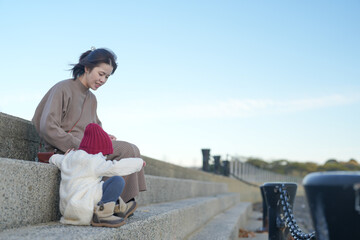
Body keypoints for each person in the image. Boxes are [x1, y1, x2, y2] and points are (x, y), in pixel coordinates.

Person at [32, 47, 146, 207]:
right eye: (101, 74)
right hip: (66, 150)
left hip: (86, 150)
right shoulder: (63, 88)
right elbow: (47, 126)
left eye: (107, 77)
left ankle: (120, 201)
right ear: (87, 68)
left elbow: (94, 128)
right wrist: (81, 145)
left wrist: (105, 137)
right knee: (126, 149)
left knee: (132, 149)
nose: (103, 80)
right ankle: (103, 202)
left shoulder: (92, 99)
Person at [50, 123, 144, 227]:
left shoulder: (68, 159)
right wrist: (139, 163)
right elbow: (117, 167)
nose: (105, 156)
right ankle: (103, 214)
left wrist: (65, 156)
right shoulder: (95, 161)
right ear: (99, 151)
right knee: (116, 181)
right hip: (88, 210)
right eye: (105, 154)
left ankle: (119, 207)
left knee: (98, 185)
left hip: (67, 212)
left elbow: (53, 158)